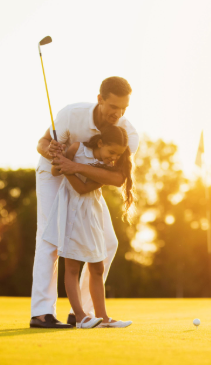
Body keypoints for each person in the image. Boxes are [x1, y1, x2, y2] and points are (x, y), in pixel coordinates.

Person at [30, 77, 139, 328]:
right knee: (50, 238)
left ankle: (85, 313)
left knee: (108, 243)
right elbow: (42, 142)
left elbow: (118, 177)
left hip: (86, 179)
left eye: (124, 108)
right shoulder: (72, 114)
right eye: (113, 106)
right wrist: (53, 153)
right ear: (100, 99)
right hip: (53, 174)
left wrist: (74, 166)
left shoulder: (127, 133)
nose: (118, 113)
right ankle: (42, 313)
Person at [43, 125, 134, 328]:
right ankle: (80, 316)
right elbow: (54, 170)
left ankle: (102, 317)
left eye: (117, 155)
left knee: (98, 268)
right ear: (100, 143)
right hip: (71, 213)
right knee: (73, 266)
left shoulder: (105, 168)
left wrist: (70, 168)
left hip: (91, 216)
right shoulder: (76, 148)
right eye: (111, 152)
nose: (113, 158)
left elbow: (82, 188)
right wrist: (59, 159)